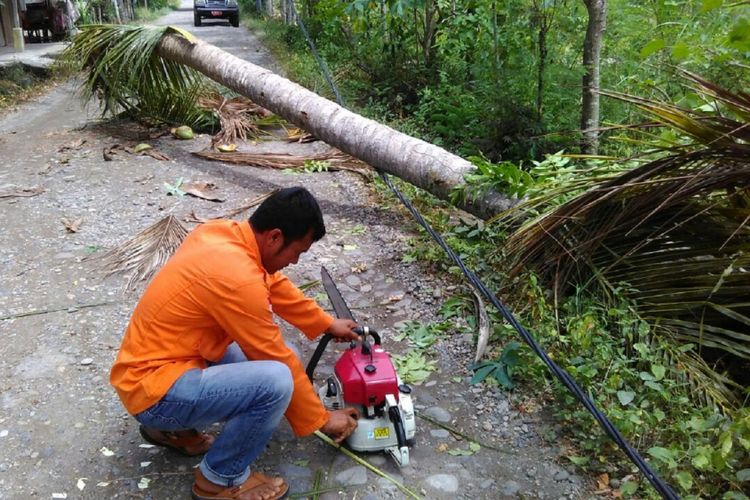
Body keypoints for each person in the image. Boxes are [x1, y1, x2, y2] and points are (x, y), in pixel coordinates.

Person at [110, 187, 361, 500]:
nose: (295, 262)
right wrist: (321, 420)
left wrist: (323, 322)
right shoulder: (237, 278)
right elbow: (275, 357)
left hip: (149, 373)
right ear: (274, 237)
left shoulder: (221, 234)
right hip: (154, 393)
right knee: (276, 380)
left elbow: (271, 283)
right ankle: (219, 478)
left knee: (285, 361)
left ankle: (173, 431)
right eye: (297, 252)